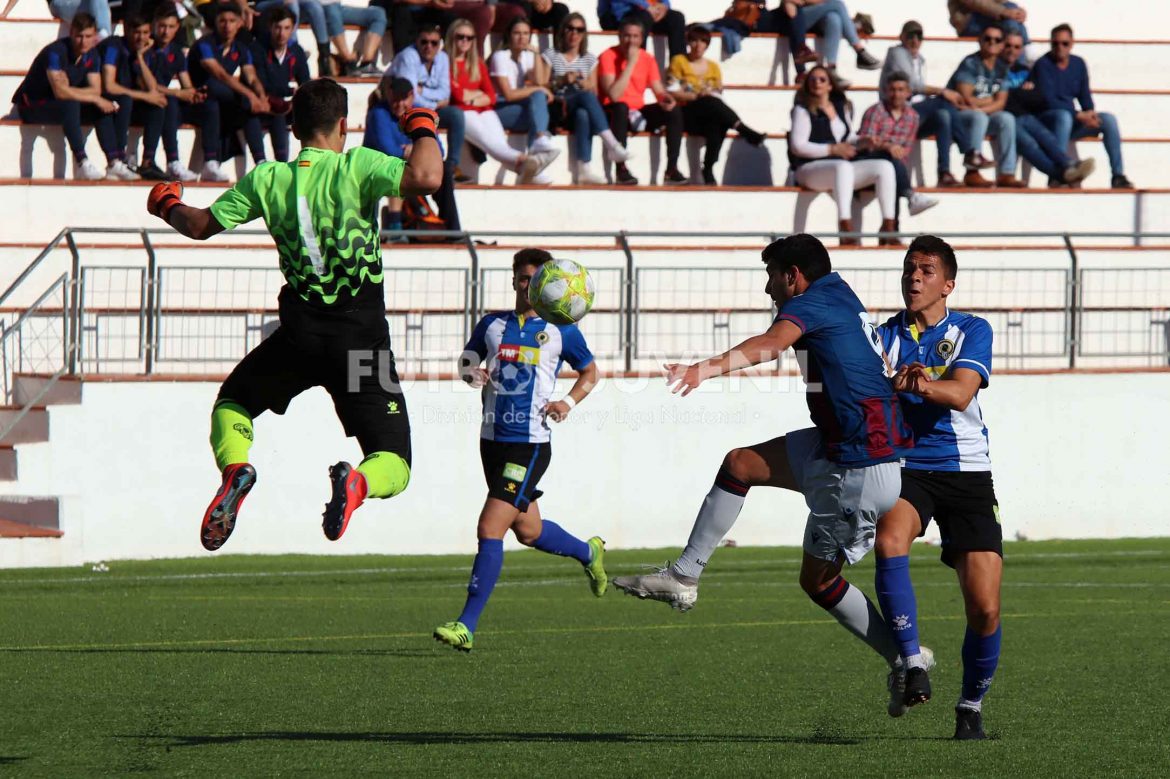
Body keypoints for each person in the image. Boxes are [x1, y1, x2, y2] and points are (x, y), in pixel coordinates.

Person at [612, 233, 926, 718]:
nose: (768, 289)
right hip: (840, 445)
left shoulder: (815, 302)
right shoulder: (839, 291)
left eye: (771, 277)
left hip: (859, 466)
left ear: (793, 277)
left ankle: (906, 659)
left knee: (819, 582)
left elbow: (771, 345)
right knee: (740, 464)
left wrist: (702, 370)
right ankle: (684, 575)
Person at [144, 78, 443, 551]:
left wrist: (167, 204)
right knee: (394, 460)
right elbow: (427, 177)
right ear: (343, 126)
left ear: (295, 126)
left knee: (233, 404)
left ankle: (237, 467)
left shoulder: (267, 179)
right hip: (362, 344)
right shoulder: (357, 165)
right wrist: (423, 127)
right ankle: (358, 485)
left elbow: (199, 226)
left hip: (300, 339)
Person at [433, 249, 606, 652]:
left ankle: (466, 625)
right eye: (527, 279)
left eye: (541, 280)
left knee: (489, 528)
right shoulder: (492, 325)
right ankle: (588, 551)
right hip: (491, 441)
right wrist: (469, 372)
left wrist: (567, 402)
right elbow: (466, 360)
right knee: (528, 531)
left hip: (529, 446)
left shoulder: (562, 328)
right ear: (515, 280)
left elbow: (591, 372)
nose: (533, 288)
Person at [873, 234, 1003, 740]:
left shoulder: (972, 329)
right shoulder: (884, 335)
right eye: (909, 269)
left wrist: (919, 383)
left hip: (968, 473)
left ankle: (970, 707)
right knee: (890, 539)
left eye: (926, 270)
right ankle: (911, 662)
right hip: (909, 467)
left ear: (948, 283)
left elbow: (962, 390)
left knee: (985, 607)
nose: (914, 278)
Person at [786, 65, 897, 246]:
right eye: (812, 79)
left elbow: (848, 137)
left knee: (884, 166)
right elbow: (798, 146)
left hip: (838, 168)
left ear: (830, 85)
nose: (817, 83)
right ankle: (845, 227)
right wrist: (832, 149)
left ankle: (889, 227)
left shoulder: (840, 106)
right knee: (843, 167)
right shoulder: (802, 109)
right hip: (808, 168)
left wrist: (865, 141)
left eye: (822, 79)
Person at [11, 13, 128, 181]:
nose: (83, 41)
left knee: (102, 108)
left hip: (60, 104)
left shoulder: (92, 54)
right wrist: (92, 97)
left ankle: (113, 161)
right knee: (72, 103)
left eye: (88, 36)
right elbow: (61, 92)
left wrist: (89, 96)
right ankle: (82, 162)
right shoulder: (55, 52)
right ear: (71, 33)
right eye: (79, 36)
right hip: (33, 104)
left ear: (95, 35)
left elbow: (95, 90)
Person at [446, 17, 557, 183]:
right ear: (451, 38)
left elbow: (490, 96)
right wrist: (476, 95)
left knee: (500, 144)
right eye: (460, 37)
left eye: (469, 38)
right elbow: (457, 95)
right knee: (492, 145)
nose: (464, 41)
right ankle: (530, 164)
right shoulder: (445, 61)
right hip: (463, 111)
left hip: (484, 109)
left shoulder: (477, 63)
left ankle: (530, 167)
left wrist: (472, 96)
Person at [880, 20, 980, 189]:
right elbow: (911, 85)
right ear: (902, 37)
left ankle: (944, 172)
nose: (915, 41)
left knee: (943, 115)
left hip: (915, 116)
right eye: (910, 36)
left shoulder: (920, 60)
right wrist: (942, 91)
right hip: (896, 113)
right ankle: (969, 151)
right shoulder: (897, 52)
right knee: (942, 101)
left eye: (919, 36)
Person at [1031, 24, 1133, 189]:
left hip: (1071, 118)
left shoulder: (1078, 64)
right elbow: (1048, 100)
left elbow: (1084, 94)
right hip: (1049, 119)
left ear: (1072, 43)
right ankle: (1058, 172)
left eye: (1064, 43)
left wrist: (1090, 113)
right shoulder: (1043, 64)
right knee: (1062, 116)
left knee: (1108, 120)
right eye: (1055, 43)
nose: (1059, 47)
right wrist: (1078, 115)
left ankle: (1118, 175)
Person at [539, 12, 631, 185]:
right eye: (570, 29)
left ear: (584, 34)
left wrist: (584, 84)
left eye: (579, 30)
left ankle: (584, 168)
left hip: (576, 107)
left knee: (584, 112)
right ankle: (612, 144)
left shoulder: (589, 59)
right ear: (563, 31)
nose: (574, 34)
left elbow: (593, 90)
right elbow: (541, 86)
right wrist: (562, 80)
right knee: (585, 99)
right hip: (558, 106)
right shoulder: (551, 55)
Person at [667, 24, 765, 185]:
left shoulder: (713, 66)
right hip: (687, 109)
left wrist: (707, 93)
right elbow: (671, 90)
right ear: (688, 43)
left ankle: (709, 167)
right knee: (711, 104)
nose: (698, 46)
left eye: (703, 42)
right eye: (694, 41)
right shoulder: (679, 61)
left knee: (718, 122)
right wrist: (696, 95)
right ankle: (743, 130)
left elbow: (718, 90)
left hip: (708, 110)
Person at [364, 75, 461, 238]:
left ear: (412, 97)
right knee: (397, 167)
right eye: (395, 99)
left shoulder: (420, 114)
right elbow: (388, 150)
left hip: (408, 169)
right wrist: (417, 152)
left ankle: (452, 230)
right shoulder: (378, 114)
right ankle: (395, 228)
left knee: (443, 171)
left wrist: (413, 150)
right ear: (388, 95)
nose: (399, 104)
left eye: (403, 99)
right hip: (378, 169)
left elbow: (439, 151)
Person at [598, 16, 685, 186]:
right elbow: (614, 95)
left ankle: (672, 169)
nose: (630, 41)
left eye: (635, 36)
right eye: (626, 36)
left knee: (673, 111)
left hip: (637, 111)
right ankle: (621, 168)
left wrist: (666, 99)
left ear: (641, 38)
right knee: (621, 107)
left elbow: (658, 90)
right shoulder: (608, 56)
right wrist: (630, 63)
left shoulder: (647, 58)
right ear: (619, 36)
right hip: (614, 112)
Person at [1000, 32, 1095, 188]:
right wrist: (1019, 94)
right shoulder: (994, 68)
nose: (1012, 50)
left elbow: (1038, 97)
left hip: (1023, 115)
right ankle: (1061, 173)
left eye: (1016, 47)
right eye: (1008, 45)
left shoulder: (1024, 71)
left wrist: (1016, 96)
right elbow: (1003, 99)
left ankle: (1067, 166)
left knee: (1042, 134)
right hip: (1003, 117)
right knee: (1029, 142)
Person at [188, 3, 270, 182]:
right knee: (216, 94)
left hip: (222, 100)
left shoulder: (241, 48)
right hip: (196, 99)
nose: (227, 26)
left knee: (249, 108)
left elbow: (251, 77)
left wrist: (261, 97)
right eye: (222, 21)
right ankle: (210, 162)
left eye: (232, 21)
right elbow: (220, 74)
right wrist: (250, 96)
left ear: (240, 23)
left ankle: (261, 161)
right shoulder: (205, 44)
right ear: (215, 23)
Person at [858, 72, 939, 234]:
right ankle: (909, 198)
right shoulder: (875, 111)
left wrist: (893, 151)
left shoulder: (912, 117)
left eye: (901, 90)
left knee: (891, 170)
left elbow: (905, 151)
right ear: (887, 91)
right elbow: (864, 144)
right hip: (867, 160)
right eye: (893, 90)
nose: (896, 94)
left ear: (908, 92)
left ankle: (890, 229)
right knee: (889, 163)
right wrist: (886, 146)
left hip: (893, 165)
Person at [945, 23, 1024, 188]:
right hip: (958, 115)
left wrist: (981, 107)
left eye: (997, 39)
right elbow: (965, 99)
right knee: (979, 117)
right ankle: (972, 172)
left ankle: (1006, 173)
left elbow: (1001, 103)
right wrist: (989, 101)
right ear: (980, 41)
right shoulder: (970, 63)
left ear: (1002, 44)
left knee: (1007, 118)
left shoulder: (1002, 68)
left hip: (978, 115)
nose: (992, 42)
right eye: (987, 38)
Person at [390, 24, 467, 181]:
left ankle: (451, 166)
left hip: (425, 108)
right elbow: (410, 96)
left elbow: (446, 92)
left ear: (440, 44)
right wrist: (435, 103)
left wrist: (423, 91)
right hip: (399, 106)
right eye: (424, 42)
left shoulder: (443, 57)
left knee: (456, 115)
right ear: (416, 41)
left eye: (434, 43)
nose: (429, 47)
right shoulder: (408, 57)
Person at [141, 5, 201, 182]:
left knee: (175, 103)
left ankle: (174, 162)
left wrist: (192, 93)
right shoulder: (146, 48)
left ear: (177, 28)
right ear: (154, 25)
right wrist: (176, 93)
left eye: (171, 27)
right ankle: (159, 160)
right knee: (167, 102)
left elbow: (187, 85)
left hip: (164, 100)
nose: (165, 31)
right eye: (162, 26)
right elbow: (145, 85)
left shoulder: (176, 51)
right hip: (142, 99)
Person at [97, 13, 160, 180]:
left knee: (159, 105)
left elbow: (152, 88)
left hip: (126, 101)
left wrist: (140, 56)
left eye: (146, 33)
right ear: (128, 31)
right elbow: (109, 85)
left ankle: (148, 161)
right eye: (137, 32)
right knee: (126, 100)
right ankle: (118, 158)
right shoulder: (114, 46)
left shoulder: (143, 52)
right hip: (104, 97)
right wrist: (145, 96)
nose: (141, 37)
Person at [489, 16, 559, 163]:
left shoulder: (527, 56)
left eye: (526, 34)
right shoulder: (500, 56)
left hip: (518, 107)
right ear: (509, 35)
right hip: (499, 109)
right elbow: (508, 95)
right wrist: (538, 88)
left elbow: (540, 81)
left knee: (538, 101)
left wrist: (536, 54)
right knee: (539, 107)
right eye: (517, 33)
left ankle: (536, 148)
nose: (522, 38)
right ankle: (537, 144)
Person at [251, 6, 310, 162]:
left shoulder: (296, 51)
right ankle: (261, 161)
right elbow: (264, 84)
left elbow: (305, 82)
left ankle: (298, 160)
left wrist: (294, 98)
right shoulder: (258, 49)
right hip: (263, 103)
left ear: (292, 29)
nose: (281, 33)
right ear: (270, 27)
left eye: (286, 28)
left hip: (285, 105)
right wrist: (291, 91)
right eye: (277, 27)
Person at [787, 0, 881, 89]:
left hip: (816, 16)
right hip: (796, 18)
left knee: (834, 18)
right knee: (837, 4)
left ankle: (831, 69)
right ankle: (860, 51)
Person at [597, 0, 686, 61]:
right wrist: (647, 6)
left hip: (647, 13)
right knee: (642, 19)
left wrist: (663, 6)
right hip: (618, 14)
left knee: (677, 18)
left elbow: (664, 2)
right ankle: (637, 64)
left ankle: (677, 71)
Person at [318, 0, 386, 76]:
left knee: (378, 14)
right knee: (332, 10)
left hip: (337, 7)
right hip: (314, 9)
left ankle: (367, 64)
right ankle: (348, 61)